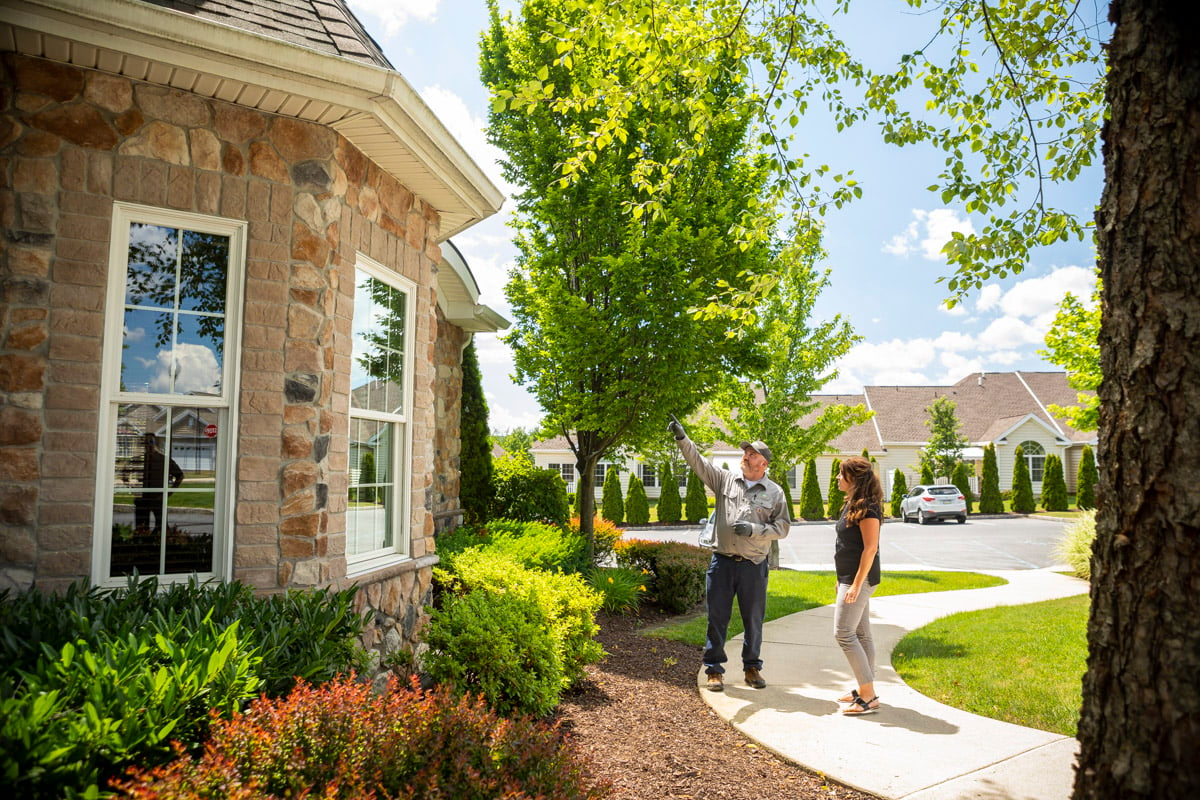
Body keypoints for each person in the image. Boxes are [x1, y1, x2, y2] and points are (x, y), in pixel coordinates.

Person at [668, 415, 791, 692]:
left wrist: (754, 529)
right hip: (722, 563)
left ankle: (752, 668)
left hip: (753, 565)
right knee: (717, 617)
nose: (746, 456)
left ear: (763, 464)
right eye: (746, 452)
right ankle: (714, 670)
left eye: (752, 454)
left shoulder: (775, 493)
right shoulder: (725, 480)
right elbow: (698, 463)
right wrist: (682, 438)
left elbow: (782, 528)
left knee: (753, 619)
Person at [832, 456, 884, 715]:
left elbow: (870, 548)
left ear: (854, 477)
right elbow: (847, 547)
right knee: (861, 635)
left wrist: (854, 585)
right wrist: (841, 580)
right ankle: (866, 688)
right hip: (849, 578)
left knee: (843, 633)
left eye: (842, 474)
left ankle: (868, 695)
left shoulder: (869, 508)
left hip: (859, 580)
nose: (838, 478)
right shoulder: (854, 503)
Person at [134, 433, 184, 534]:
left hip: (158, 499)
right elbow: (126, 474)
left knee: (161, 528)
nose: (148, 444)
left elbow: (180, 476)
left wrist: (168, 493)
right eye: (145, 442)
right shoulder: (140, 460)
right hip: (142, 500)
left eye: (151, 442)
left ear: (155, 443)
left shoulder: (163, 460)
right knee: (141, 529)